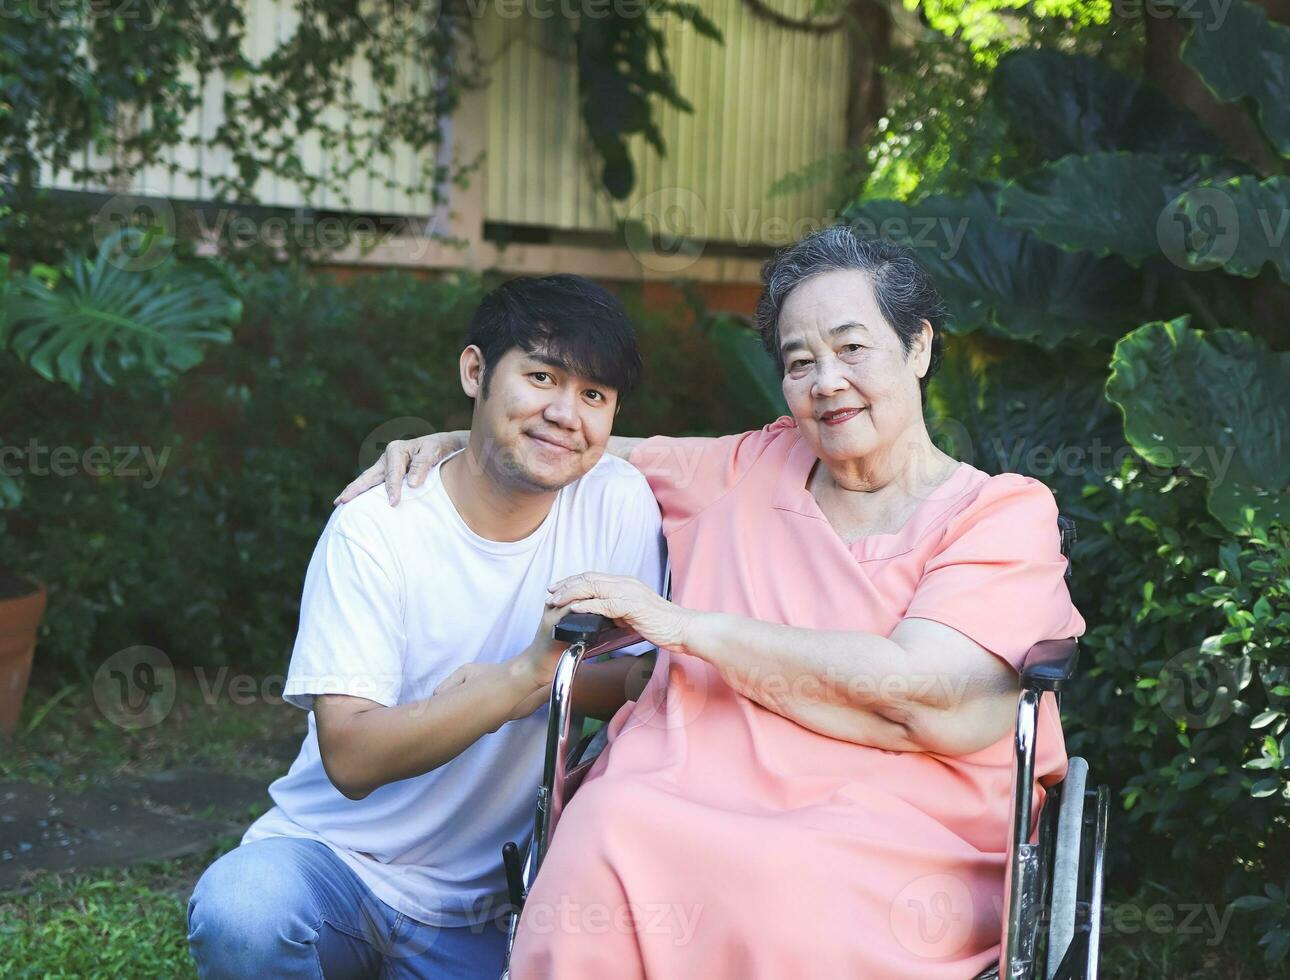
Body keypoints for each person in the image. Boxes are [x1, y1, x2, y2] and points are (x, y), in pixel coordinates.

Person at [337, 227, 1085, 978]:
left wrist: (688, 629)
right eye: (799, 362)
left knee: (786, 871)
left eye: (852, 349)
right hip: (694, 778)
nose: (826, 381)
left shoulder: (997, 513)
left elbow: (922, 690)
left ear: (917, 347)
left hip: (904, 821)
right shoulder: (747, 468)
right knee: (603, 824)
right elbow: (590, 444)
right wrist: (454, 441)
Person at [187, 274, 666, 979]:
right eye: (541, 376)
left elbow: (644, 684)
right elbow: (349, 756)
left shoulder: (617, 504)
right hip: (336, 869)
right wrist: (519, 680)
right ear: (476, 372)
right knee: (244, 910)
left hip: (487, 908)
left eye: (593, 395)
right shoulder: (377, 527)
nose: (566, 413)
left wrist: (554, 680)